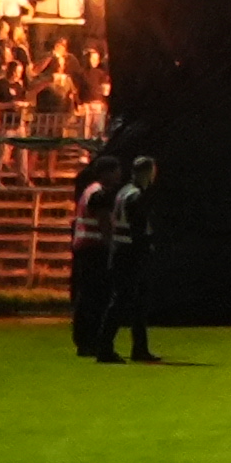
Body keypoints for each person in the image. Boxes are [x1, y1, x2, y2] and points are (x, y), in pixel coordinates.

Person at [98, 153, 161, 365]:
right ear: (148, 173)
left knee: (129, 302)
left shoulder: (124, 191)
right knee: (127, 302)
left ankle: (137, 347)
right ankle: (107, 347)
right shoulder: (137, 196)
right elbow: (139, 230)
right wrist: (147, 248)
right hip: (131, 254)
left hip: (121, 251)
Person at [66, 151, 117, 361]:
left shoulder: (89, 191)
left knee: (86, 297)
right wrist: (113, 248)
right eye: (115, 171)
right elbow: (105, 226)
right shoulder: (100, 195)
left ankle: (84, 340)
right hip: (95, 250)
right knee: (96, 298)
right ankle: (90, 340)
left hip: (85, 249)